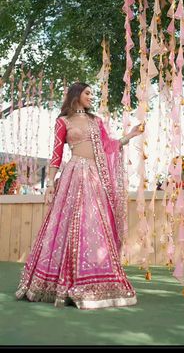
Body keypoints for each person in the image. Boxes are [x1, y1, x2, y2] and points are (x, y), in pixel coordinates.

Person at [15, 82, 144, 310]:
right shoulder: (63, 121)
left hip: (95, 178)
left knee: (95, 225)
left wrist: (130, 136)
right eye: (87, 93)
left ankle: (97, 279)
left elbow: (109, 146)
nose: (90, 97)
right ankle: (57, 282)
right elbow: (55, 155)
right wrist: (50, 185)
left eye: (92, 93)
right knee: (67, 226)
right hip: (73, 175)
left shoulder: (96, 121)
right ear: (76, 95)